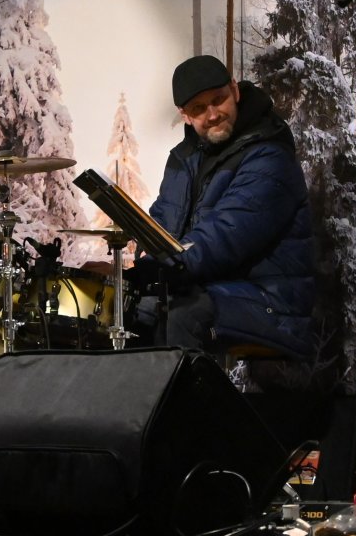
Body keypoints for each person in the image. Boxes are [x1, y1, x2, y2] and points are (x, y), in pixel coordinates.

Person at [131, 55, 314, 359]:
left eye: (218, 100)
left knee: (182, 315)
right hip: (207, 287)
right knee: (134, 312)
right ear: (185, 115)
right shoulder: (182, 159)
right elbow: (160, 226)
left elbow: (227, 234)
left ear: (235, 90)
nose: (212, 114)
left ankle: (189, 408)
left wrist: (161, 269)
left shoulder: (270, 154)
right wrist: (142, 266)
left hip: (272, 301)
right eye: (199, 109)